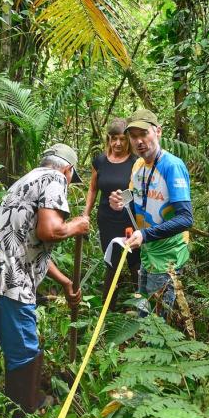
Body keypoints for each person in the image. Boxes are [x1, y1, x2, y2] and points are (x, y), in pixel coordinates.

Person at [0, 143, 90, 416]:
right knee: (25, 349)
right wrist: (76, 226)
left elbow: (27, 245)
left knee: (15, 347)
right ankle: (25, 411)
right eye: (72, 178)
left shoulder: (24, 181)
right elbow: (49, 230)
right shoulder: (56, 179)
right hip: (10, 281)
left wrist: (65, 281)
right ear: (68, 170)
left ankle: (13, 402)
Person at [109, 109, 193, 315]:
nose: (139, 141)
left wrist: (145, 235)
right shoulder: (138, 165)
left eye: (144, 134)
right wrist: (120, 201)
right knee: (144, 313)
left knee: (159, 321)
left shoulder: (172, 166)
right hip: (147, 252)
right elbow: (136, 193)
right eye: (134, 136)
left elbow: (185, 218)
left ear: (158, 132)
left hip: (168, 256)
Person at [85, 118, 140, 302]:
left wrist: (122, 199)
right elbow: (93, 189)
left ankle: (143, 308)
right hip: (106, 219)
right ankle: (108, 308)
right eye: (114, 138)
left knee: (135, 263)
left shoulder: (136, 162)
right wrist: (86, 214)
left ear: (128, 140)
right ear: (108, 139)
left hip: (130, 219)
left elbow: (140, 192)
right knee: (112, 263)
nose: (118, 143)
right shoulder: (100, 161)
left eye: (122, 139)